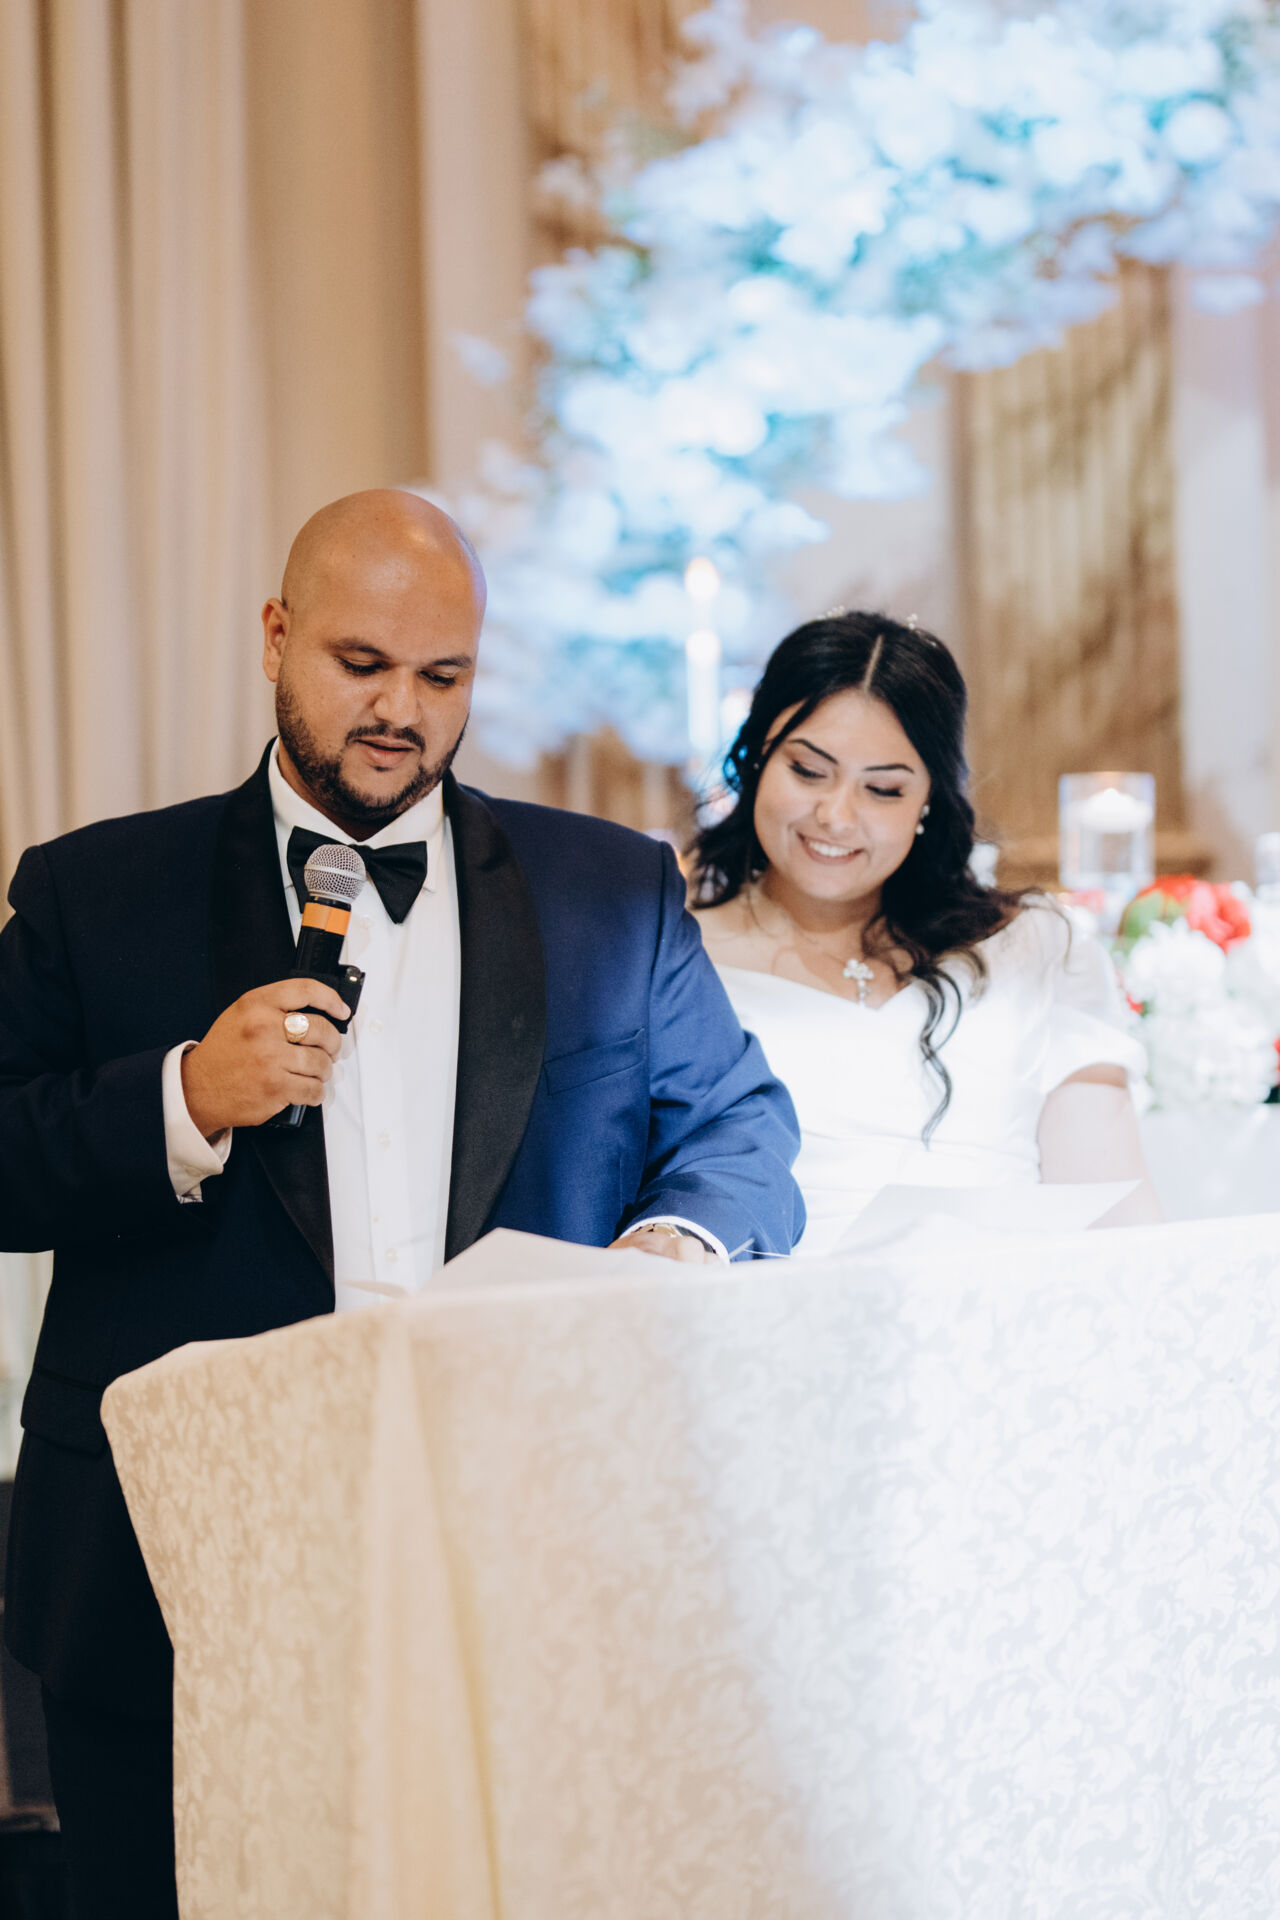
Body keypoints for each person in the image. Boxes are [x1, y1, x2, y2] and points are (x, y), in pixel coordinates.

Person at [0, 489, 804, 1918]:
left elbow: (741, 1133)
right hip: (166, 1566)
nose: (400, 713)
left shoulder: (610, 890)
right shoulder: (95, 893)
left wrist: (660, 1252)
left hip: (513, 1540)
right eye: (361, 664)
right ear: (275, 637)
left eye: (443, 676)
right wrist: (181, 1097)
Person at [692, 610, 1159, 1259]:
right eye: (808, 771)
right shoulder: (676, 957)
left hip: (1007, 1302)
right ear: (755, 760)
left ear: (928, 802)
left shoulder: (1032, 949)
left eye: (883, 789)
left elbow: (1116, 1220)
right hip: (769, 1307)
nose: (836, 816)